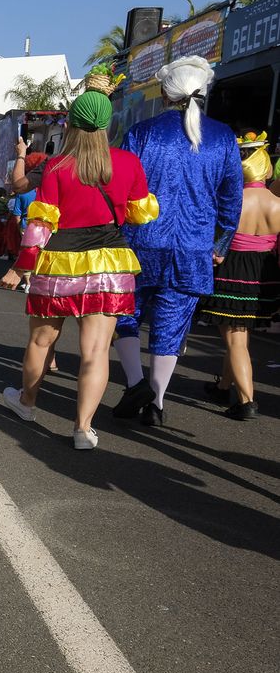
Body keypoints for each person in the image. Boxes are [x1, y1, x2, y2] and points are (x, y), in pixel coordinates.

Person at [0, 91, 159, 450]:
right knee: (97, 351)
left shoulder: (57, 167)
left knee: (41, 342)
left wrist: (21, 268)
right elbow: (143, 213)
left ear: (71, 123)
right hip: (110, 265)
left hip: (60, 263)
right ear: (107, 124)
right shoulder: (128, 163)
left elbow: (39, 226)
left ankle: (27, 403)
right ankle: (83, 429)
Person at [111, 56, 243, 426]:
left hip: (140, 241)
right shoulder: (223, 137)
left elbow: (123, 188)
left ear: (166, 94)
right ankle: (157, 401)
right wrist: (219, 246)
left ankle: (137, 383)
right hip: (194, 245)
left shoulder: (143, 132)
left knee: (126, 312)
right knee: (172, 322)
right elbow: (232, 200)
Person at [199, 132, 280, 420]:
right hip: (264, 273)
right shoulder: (277, 202)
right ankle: (223, 386)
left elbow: (217, 242)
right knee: (240, 337)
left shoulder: (233, 200)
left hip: (234, 270)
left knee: (234, 338)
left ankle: (247, 402)